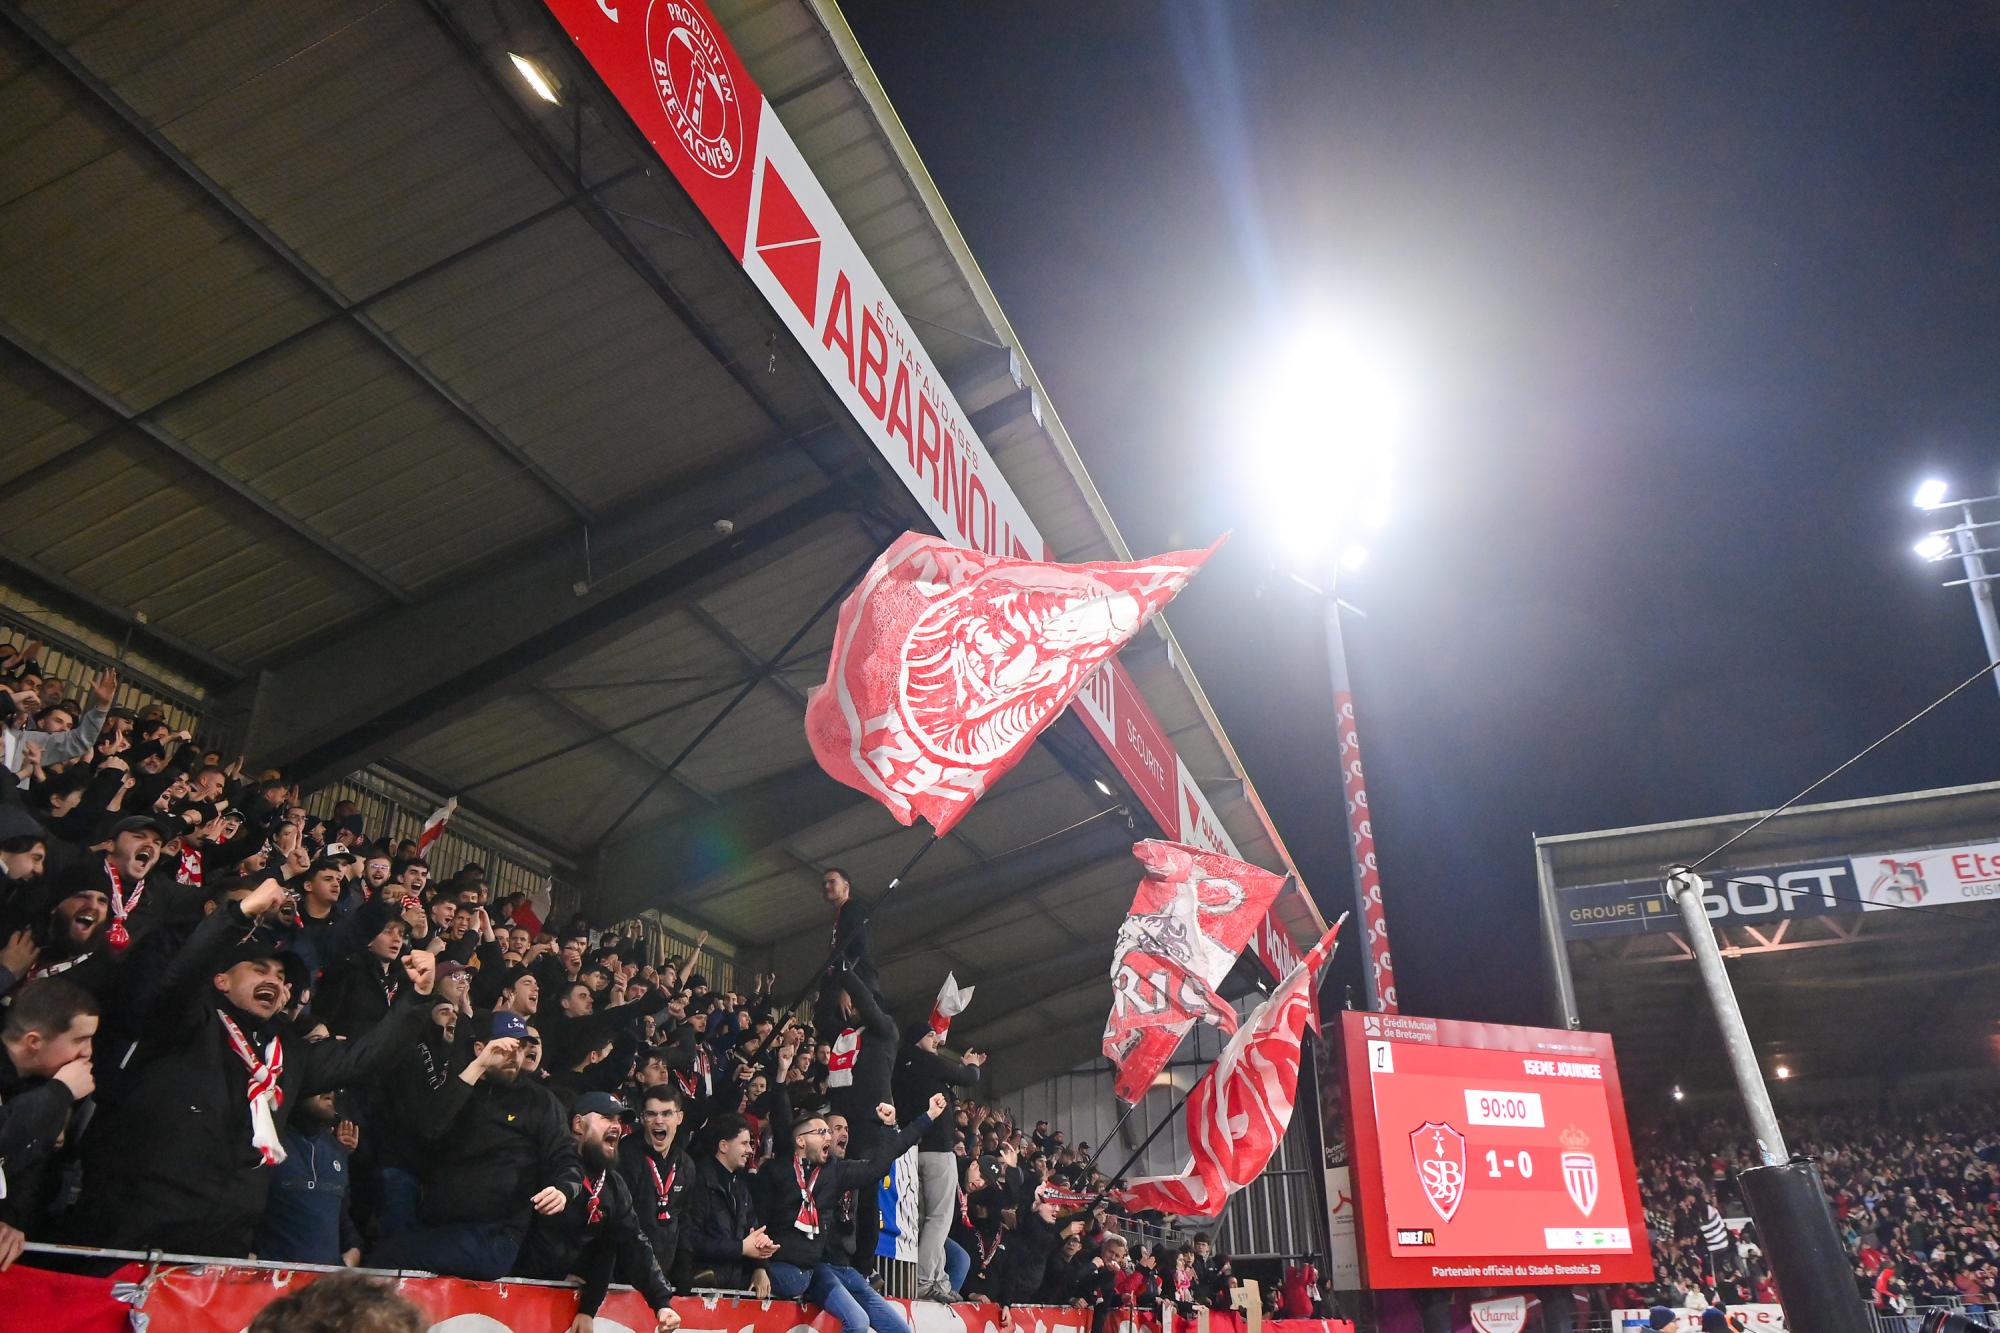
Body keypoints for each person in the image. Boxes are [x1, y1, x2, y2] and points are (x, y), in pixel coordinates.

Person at [69, 878, 429, 1257]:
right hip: (134, 1231)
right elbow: (184, 974)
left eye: (281, 978)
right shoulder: (186, 1021)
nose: (274, 981)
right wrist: (237, 916)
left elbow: (361, 1059)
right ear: (221, 980)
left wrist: (417, 1000)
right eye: (259, 970)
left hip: (224, 1242)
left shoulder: (288, 1051)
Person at [367, 1011, 583, 1279]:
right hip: (438, 1224)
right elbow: (428, 1128)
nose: (514, 1056)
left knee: (386, 1258)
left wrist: (563, 1189)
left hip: (493, 1235)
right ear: (480, 1048)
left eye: (520, 1048)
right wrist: (477, 1067)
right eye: (505, 1047)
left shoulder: (539, 1101)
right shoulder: (459, 1089)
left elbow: (565, 1156)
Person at [759, 1090, 948, 1333]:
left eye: (832, 1131)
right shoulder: (777, 1171)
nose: (831, 1135)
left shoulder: (837, 1172)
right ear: (801, 1141)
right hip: (803, 1267)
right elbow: (757, 1224)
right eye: (825, 1131)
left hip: (835, 1269)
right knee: (857, 1322)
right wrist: (758, 1267)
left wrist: (924, 1117)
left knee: (900, 1330)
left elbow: (881, 1164)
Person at [514, 1092, 681, 1333]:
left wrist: (661, 1303)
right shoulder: (545, 1166)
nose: (617, 1126)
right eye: (606, 1118)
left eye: (619, 1121)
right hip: (510, 1290)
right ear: (578, 1124)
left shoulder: (613, 1185)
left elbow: (631, 1244)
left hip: (557, 1305)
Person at [0, 978, 98, 1254]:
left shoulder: (42, 1087)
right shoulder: (54, 1092)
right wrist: (59, 1093)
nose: (88, 1052)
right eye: (79, 1040)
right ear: (33, 1041)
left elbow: (31, 1171)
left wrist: (9, 1222)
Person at [893, 1017, 986, 1300]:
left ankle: (936, 1279)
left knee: (922, 1220)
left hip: (911, 1150)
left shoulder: (899, 1066)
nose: (935, 1040)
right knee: (939, 1218)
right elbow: (968, 1078)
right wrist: (971, 1064)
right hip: (937, 1150)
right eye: (930, 1035)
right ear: (917, 1039)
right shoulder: (924, 1060)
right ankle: (924, 1280)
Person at [254, 1090, 363, 1267]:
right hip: (272, 1280)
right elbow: (245, 1213)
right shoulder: (268, 1144)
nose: (329, 1092)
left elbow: (343, 1218)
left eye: (332, 1087)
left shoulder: (337, 1150)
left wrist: (352, 1253)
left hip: (326, 1282)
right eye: (319, 1085)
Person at [684, 1111, 779, 1296]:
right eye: (744, 1143)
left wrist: (760, 1266)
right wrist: (741, 1248)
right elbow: (691, 1240)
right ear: (723, 1146)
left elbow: (753, 1232)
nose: (750, 1150)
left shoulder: (741, 1187)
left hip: (732, 1289)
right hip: (698, 1291)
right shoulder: (699, 1181)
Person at [619, 1084, 695, 1283]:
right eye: (651, 1114)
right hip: (622, 1275)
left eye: (667, 1113)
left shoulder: (685, 1164)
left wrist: (683, 1269)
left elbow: (684, 1220)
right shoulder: (624, 1155)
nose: (658, 1120)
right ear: (642, 1118)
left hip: (663, 1276)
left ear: (679, 1118)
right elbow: (619, 1220)